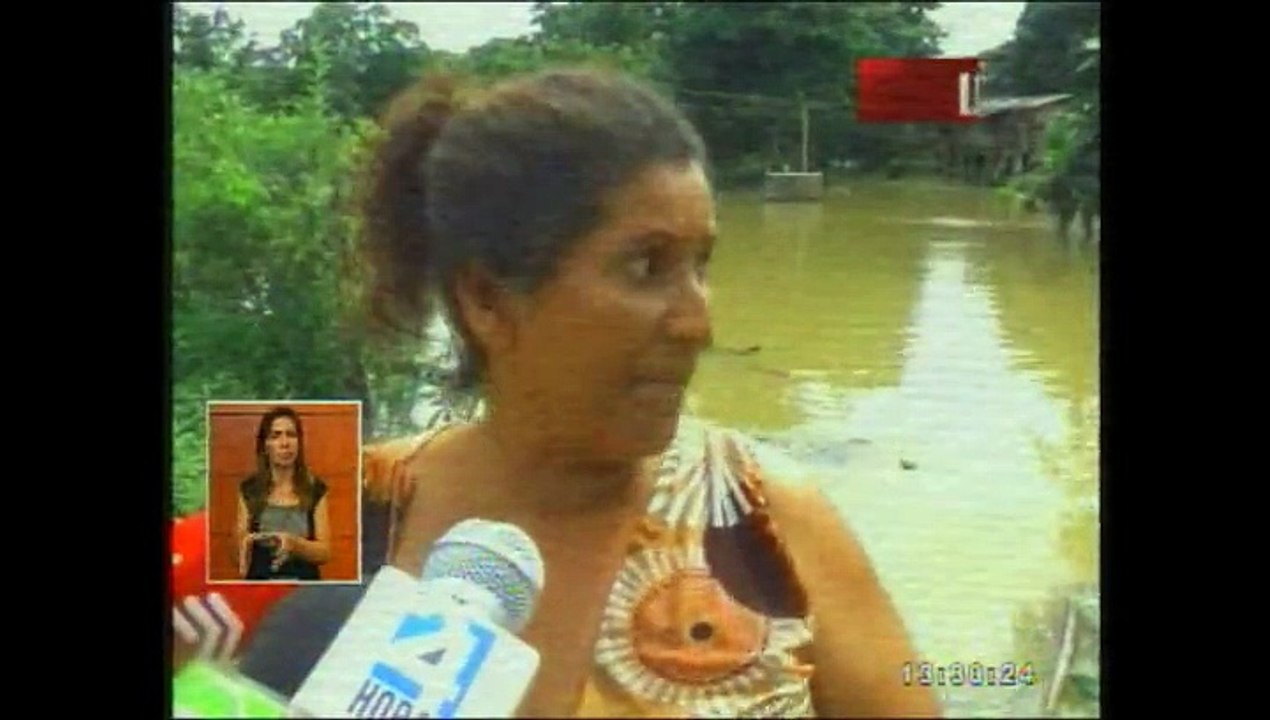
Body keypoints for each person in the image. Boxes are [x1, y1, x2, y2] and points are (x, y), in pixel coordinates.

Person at [349, 67, 942, 717]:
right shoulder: (314, 494)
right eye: (646, 266)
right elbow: (217, 677)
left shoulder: (763, 515)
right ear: (487, 298)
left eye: (701, 266)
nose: (699, 324)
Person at [236, 407, 331, 581]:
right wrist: (246, 543)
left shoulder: (315, 489)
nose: (285, 443)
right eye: (276, 436)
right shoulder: (249, 490)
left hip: (302, 588)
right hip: (261, 586)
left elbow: (324, 552)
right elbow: (238, 550)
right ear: (265, 445)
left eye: (291, 435)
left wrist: (295, 545)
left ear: (299, 442)